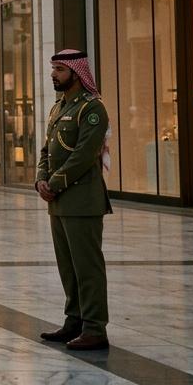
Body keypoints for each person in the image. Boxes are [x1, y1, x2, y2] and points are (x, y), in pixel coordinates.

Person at [37, 49, 112, 352]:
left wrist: (54, 183)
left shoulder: (92, 108)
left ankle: (95, 328)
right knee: (68, 267)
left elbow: (84, 154)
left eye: (59, 69)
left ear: (76, 73)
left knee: (87, 267)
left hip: (82, 201)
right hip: (58, 202)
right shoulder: (59, 107)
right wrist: (40, 179)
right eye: (53, 68)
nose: (53, 74)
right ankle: (75, 320)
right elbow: (47, 149)